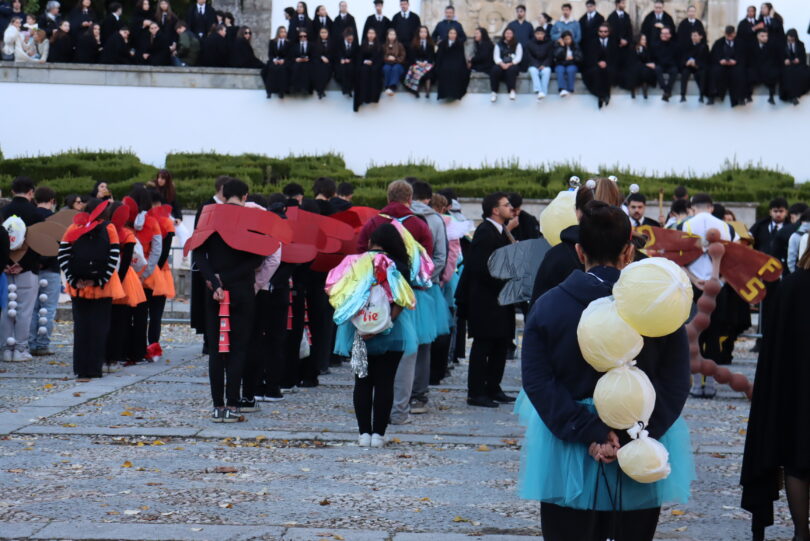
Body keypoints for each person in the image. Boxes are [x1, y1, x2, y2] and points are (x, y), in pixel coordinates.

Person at [519, 200, 692, 540]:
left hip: (570, 442)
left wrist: (589, 430)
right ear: (629, 251)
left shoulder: (549, 305)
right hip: (639, 437)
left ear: (579, 251)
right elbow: (675, 380)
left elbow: (537, 381)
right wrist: (635, 434)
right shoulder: (658, 306)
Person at [741, 245, 810, 541]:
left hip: (797, 390)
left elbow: (775, 350)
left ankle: (801, 532)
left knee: (798, 459)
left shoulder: (791, 287)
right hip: (798, 387)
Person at [329, 223, 416, 448]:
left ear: (370, 242)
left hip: (357, 329)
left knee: (362, 381)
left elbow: (341, 295)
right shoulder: (399, 265)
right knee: (386, 382)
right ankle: (379, 434)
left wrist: (362, 326)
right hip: (393, 330)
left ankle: (363, 434)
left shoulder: (354, 263)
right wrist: (383, 325)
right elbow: (403, 300)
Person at [356, 180, 433, 425]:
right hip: (408, 296)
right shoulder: (419, 224)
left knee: (368, 361)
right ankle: (399, 410)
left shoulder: (373, 222)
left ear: (388, 197)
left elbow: (358, 253)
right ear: (410, 198)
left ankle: (369, 414)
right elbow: (428, 260)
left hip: (370, 298)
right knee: (407, 353)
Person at [192, 179, 265, 422]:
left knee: (216, 349)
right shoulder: (252, 219)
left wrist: (214, 280)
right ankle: (233, 405)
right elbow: (257, 258)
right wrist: (228, 279)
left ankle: (217, 406)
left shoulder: (211, 215)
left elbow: (198, 252)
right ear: (245, 196)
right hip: (242, 289)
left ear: (223, 195)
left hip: (213, 291)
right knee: (238, 348)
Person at [678, 193, 742, 397]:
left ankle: (696, 384)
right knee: (715, 333)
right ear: (711, 207)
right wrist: (719, 280)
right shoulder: (727, 227)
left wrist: (694, 279)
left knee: (693, 334)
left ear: (692, 208)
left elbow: (676, 258)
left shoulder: (684, 225)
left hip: (693, 285)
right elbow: (736, 259)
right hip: (718, 286)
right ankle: (711, 384)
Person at [456, 192, 515, 408]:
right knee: (484, 346)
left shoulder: (500, 231)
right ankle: (476, 392)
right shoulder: (485, 232)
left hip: (499, 299)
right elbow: (482, 268)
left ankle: (493, 387)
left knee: (500, 344)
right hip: (486, 300)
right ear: (495, 210)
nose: (511, 208)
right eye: (506, 205)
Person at [58, 199, 124, 379]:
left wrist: (73, 279)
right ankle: (94, 368)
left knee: (81, 328)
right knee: (99, 329)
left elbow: (62, 254)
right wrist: (100, 280)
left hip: (78, 287)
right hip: (103, 287)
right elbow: (114, 257)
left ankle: (81, 368)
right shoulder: (109, 228)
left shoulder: (74, 227)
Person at [409, 180, 448, 416]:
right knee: (423, 344)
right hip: (426, 287)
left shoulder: (392, 216)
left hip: (397, 286)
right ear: (428, 198)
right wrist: (426, 278)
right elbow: (441, 256)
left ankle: (397, 391)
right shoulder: (435, 219)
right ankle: (418, 395)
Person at [1, 177, 43, 362]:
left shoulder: (3, 211)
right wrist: (23, 264)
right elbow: (38, 244)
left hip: (4, 269)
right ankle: (20, 348)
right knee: (24, 310)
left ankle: (5, 349)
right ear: (31, 192)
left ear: (12, 192)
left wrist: (5, 262)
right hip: (27, 269)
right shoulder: (35, 213)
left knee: (5, 309)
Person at [26, 187, 60, 357]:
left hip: (31, 267)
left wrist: (36, 261)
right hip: (52, 268)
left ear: (35, 199)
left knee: (32, 308)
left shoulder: (30, 216)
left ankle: (30, 342)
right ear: (52, 200)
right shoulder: (56, 220)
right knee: (48, 308)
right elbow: (59, 245)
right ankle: (42, 344)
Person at [709, 26, 747, 107]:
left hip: (735, 65)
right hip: (721, 65)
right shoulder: (719, 42)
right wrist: (720, 60)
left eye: (731, 35)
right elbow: (713, 55)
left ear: (734, 34)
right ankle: (713, 95)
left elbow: (744, 56)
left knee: (740, 73)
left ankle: (740, 97)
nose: (729, 37)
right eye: (727, 35)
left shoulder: (740, 43)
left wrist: (736, 61)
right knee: (715, 71)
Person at [583, 23, 617, 109]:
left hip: (609, 66)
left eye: (605, 31)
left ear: (609, 32)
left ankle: (605, 95)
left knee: (608, 72)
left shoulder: (613, 42)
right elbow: (589, 56)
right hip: (595, 66)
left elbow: (616, 57)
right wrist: (598, 63)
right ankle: (601, 96)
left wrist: (606, 63)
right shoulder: (592, 42)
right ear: (598, 32)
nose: (603, 33)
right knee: (596, 73)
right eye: (601, 31)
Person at [747, 28, 781, 104]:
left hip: (767, 68)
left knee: (773, 73)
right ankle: (749, 95)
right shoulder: (752, 45)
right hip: (756, 68)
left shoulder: (771, 45)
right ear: (757, 36)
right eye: (762, 36)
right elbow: (750, 59)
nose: (765, 38)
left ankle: (771, 96)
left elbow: (773, 59)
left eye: (766, 36)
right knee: (749, 73)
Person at [434, 26, 469, 102]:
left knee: (456, 71)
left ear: (456, 35)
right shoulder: (442, 43)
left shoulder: (459, 44)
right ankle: (444, 94)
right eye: (451, 33)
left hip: (456, 63)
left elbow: (461, 57)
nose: (452, 35)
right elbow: (439, 56)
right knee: (444, 70)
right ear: (448, 34)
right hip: (444, 62)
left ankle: (455, 94)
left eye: (454, 33)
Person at [490, 27, 522, 102]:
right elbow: (496, 57)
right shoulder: (499, 44)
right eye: (507, 33)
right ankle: (494, 92)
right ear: (504, 34)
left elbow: (518, 57)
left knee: (512, 70)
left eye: (510, 33)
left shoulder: (518, 44)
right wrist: (502, 64)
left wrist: (510, 64)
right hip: (501, 64)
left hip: (512, 64)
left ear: (513, 34)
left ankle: (512, 90)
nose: (508, 35)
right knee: (495, 70)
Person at [622, 32, 656, 99]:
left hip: (642, 68)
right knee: (636, 69)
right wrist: (646, 64)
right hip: (633, 67)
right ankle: (633, 87)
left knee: (646, 70)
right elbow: (632, 61)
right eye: (643, 39)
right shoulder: (631, 48)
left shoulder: (645, 49)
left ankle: (644, 85)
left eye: (645, 39)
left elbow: (647, 59)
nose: (645, 41)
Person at [780, 28, 809, 105]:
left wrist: (798, 60)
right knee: (789, 75)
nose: (790, 41)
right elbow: (778, 56)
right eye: (789, 39)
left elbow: (803, 57)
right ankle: (792, 96)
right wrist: (784, 61)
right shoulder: (782, 44)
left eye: (792, 40)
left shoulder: (800, 44)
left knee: (803, 73)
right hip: (786, 67)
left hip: (798, 66)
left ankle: (796, 95)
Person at [404, 26, 434, 98]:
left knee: (429, 73)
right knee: (416, 71)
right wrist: (417, 62)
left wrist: (426, 62)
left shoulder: (430, 43)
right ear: (418, 33)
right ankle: (415, 91)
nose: (423, 33)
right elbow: (412, 56)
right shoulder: (414, 43)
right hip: (416, 63)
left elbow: (431, 56)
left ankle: (427, 92)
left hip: (426, 63)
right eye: (421, 32)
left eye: (425, 32)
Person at [680, 30, 709, 102]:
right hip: (688, 66)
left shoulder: (704, 46)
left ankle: (701, 95)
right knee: (685, 73)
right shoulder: (687, 45)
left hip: (698, 67)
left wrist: (695, 63)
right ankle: (683, 95)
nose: (693, 37)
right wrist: (686, 62)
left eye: (695, 35)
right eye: (692, 35)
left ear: (701, 36)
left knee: (702, 74)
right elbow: (683, 57)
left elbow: (705, 59)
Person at [263, 26, 291, 98]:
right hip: (274, 60)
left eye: (284, 32)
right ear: (278, 33)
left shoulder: (288, 43)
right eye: (281, 32)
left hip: (284, 61)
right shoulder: (272, 42)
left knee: (282, 70)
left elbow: (289, 55)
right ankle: (269, 91)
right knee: (271, 69)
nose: (283, 33)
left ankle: (281, 91)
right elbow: (270, 54)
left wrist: (283, 60)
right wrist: (274, 60)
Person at [652, 26, 678, 101]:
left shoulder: (674, 45)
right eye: (662, 33)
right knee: (657, 69)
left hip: (670, 66)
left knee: (674, 70)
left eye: (666, 33)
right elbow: (653, 58)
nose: (664, 35)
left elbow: (676, 58)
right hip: (660, 65)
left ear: (670, 35)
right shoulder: (656, 45)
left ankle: (667, 91)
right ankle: (666, 90)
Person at [526, 26, 552, 100]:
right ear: (535, 34)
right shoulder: (529, 43)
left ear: (544, 34)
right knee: (533, 70)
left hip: (545, 65)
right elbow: (529, 56)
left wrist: (544, 65)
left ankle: (542, 93)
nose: (539, 35)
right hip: (533, 65)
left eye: (541, 34)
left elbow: (550, 56)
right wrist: (537, 65)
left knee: (547, 71)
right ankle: (540, 91)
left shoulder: (549, 43)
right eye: (537, 34)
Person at [553, 30, 582, 97]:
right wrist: (562, 46)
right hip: (561, 64)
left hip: (572, 63)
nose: (567, 41)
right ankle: (562, 89)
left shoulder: (575, 45)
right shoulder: (558, 45)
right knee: (560, 70)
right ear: (562, 39)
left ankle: (570, 89)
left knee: (570, 70)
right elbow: (556, 56)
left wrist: (573, 57)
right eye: (565, 39)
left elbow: (580, 57)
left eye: (569, 39)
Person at [606, 0, 632, 70]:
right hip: (615, 47)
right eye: (622, 3)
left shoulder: (626, 16)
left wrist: (627, 40)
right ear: (617, 4)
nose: (624, 5)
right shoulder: (611, 17)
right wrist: (619, 40)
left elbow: (629, 31)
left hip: (625, 47)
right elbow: (611, 31)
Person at [382, 27, 406, 95]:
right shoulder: (384, 46)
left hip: (398, 64)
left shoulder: (400, 45)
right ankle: (387, 87)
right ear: (387, 36)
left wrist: (395, 59)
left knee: (396, 68)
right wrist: (387, 58)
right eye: (390, 34)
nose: (392, 36)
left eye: (394, 34)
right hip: (387, 64)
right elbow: (381, 56)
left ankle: (392, 87)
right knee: (386, 68)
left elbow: (403, 56)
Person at [334, 28, 357, 96]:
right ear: (345, 37)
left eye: (351, 39)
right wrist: (341, 59)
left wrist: (350, 60)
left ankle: (349, 89)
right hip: (341, 63)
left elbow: (356, 55)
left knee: (350, 69)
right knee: (343, 69)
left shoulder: (355, 44)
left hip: (351, 63)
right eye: (349, 39)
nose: (350, 40)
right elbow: (337, 53)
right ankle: (345, 89)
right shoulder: (339, 43)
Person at [311, 26, 332, 98]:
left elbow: (333, 54)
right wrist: (321, 57)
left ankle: (321, 90)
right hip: (318, 62)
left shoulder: (331, 43)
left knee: (326, 70)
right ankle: (320, 90)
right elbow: (314, 54)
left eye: (325, 32)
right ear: (319, 34)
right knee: (319, 70)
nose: (323, 34)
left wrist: (327, 58)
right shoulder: (315, 43)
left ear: (328, 33)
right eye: (322, 32)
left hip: (328, 62)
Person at [289, 29, 313, 94]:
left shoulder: (311, 45)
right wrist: (296, 59)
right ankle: (294, 88)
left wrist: (308, 59)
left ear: (307, 36)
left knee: (306, 67)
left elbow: (314, 55)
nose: (303, 38)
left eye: (304, 36)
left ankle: (306, 88)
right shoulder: (295, 46)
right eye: (301, 36)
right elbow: (291, 56)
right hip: (297, 62)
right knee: (296, 66)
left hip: (308, 62)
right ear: (298, 37)